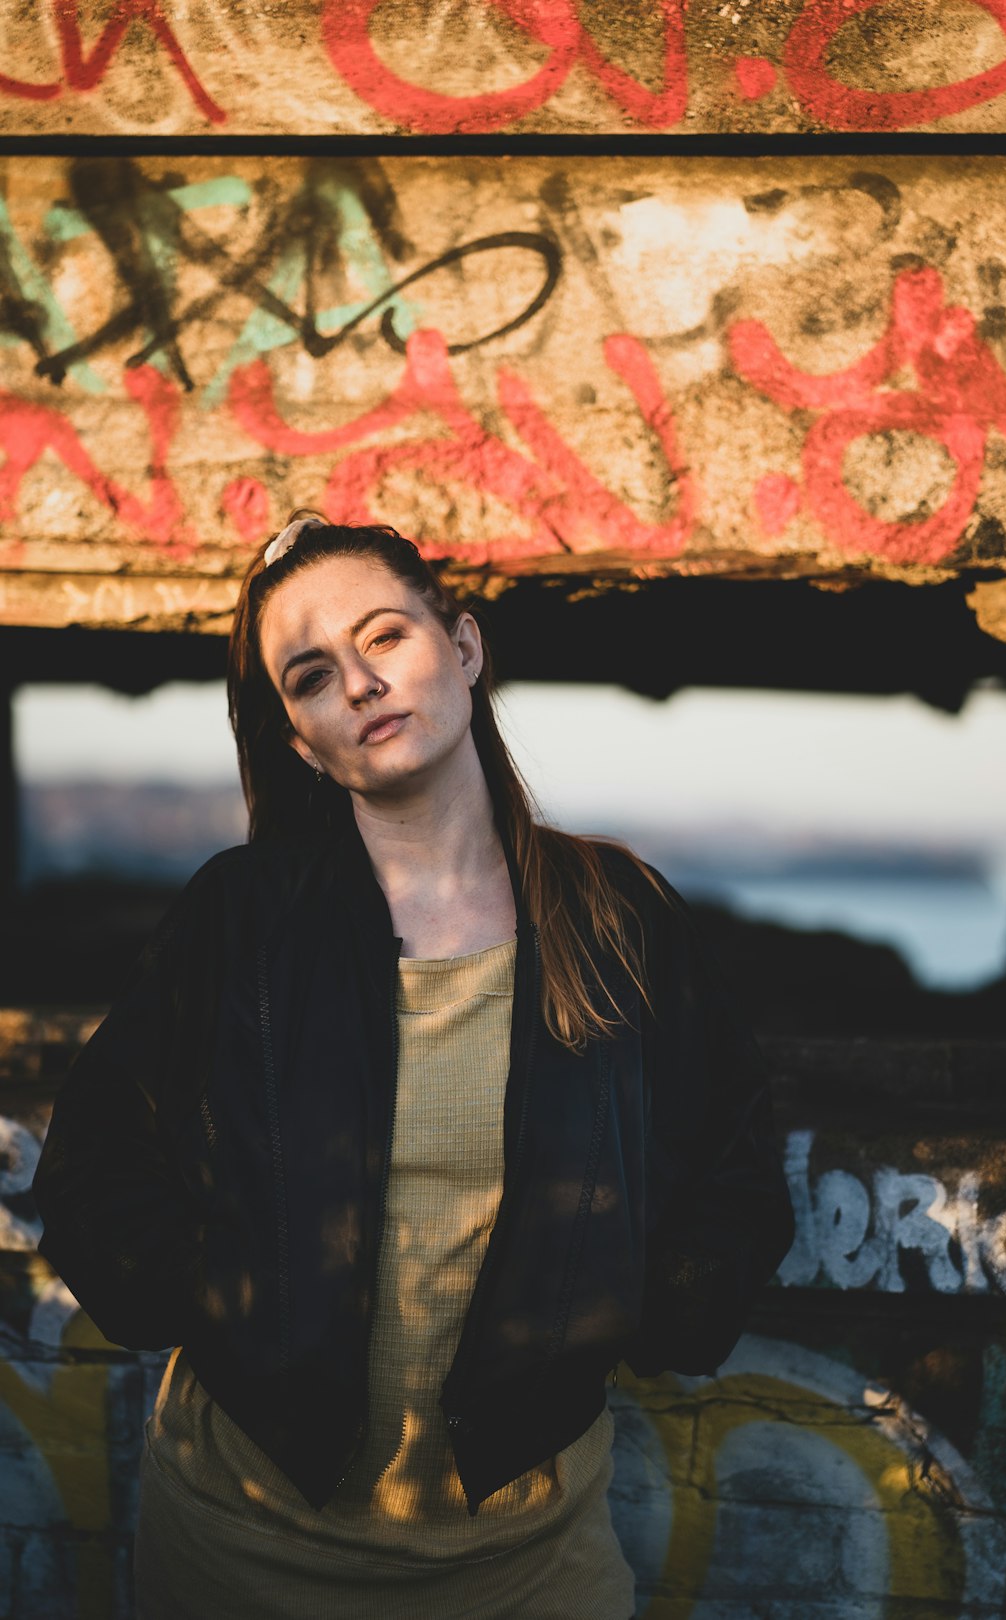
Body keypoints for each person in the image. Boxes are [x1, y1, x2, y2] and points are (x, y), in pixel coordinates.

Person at [32, 511, 795, 1620]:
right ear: (300, 739)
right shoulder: (240, 920)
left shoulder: (615, 913)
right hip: (239, 1546)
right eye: (310, 675)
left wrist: (634, 1309)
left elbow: (730, 1160)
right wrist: (229, 1299)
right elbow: (95, 1172)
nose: (360, 683)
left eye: (384, 637)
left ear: (467, 648)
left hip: (531, 1561)